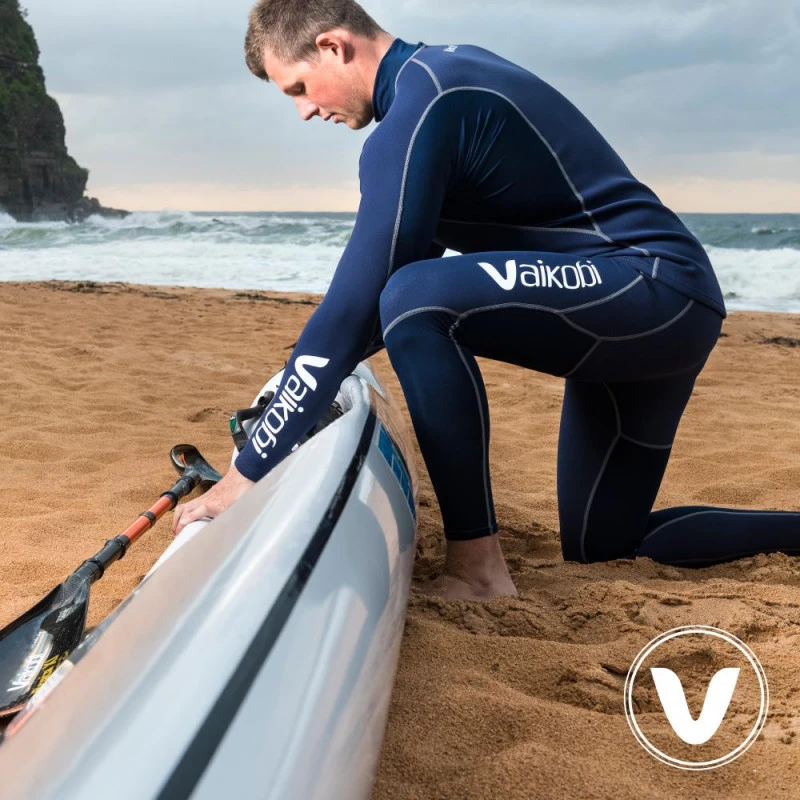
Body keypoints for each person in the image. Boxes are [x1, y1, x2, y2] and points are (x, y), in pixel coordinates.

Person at [172, 0, 800, 600]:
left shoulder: (424, 107)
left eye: (299, 88)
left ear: (333, 46)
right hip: (641, 310)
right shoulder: (438, 81)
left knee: (415, 299)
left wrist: (246, 473)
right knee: (607, 544)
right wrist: (298, 394)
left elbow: (367, 304)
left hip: (651, 288)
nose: (305, 112)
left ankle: (477, 570)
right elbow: (369, 307)